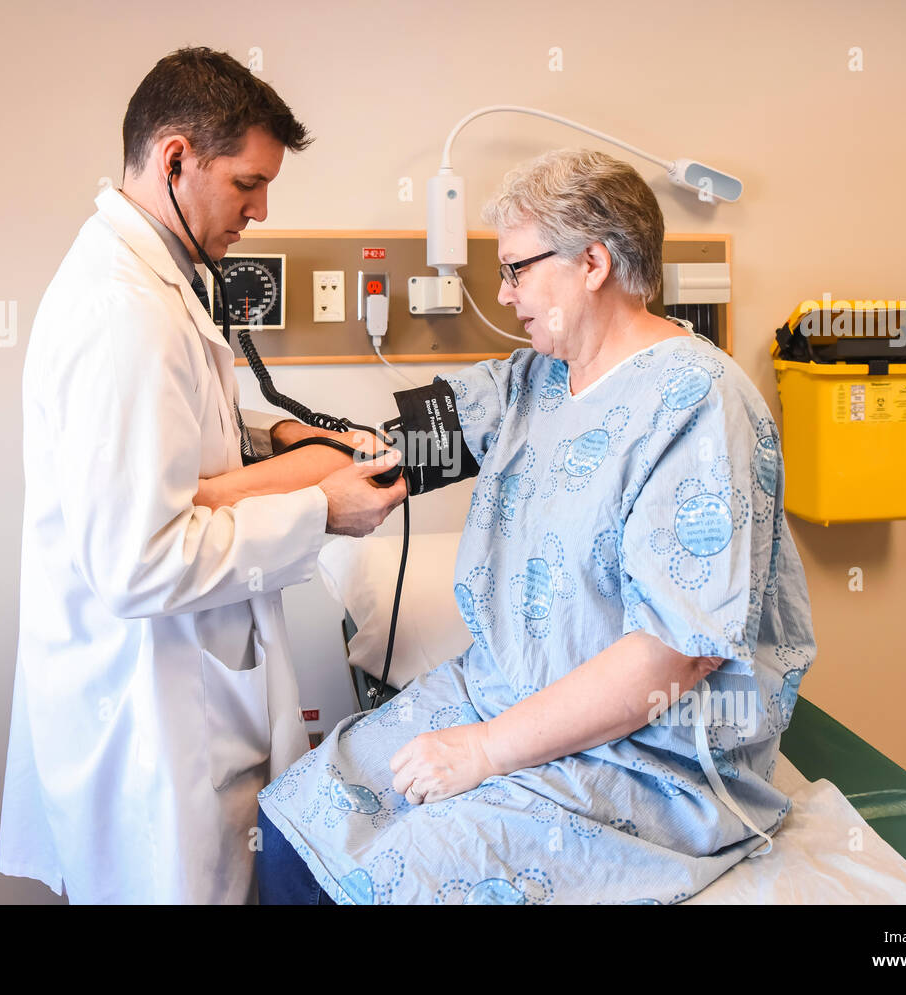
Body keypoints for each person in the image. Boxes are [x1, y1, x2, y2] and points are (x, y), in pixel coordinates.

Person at [255, 148, 818, 905]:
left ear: (592, 261)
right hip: (504, 692)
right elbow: (383, 452)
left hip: (647, 755)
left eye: (517, 268)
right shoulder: (532, 381)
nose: (503, 290)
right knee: (294, 820)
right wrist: (239, 465)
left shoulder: (698, 403)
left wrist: (483, 751)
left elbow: (674, 658)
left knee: (396, 873)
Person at [0, 47, 405, 904]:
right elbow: (139, 559)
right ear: (175, 159)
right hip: (154, 724)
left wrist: (277, 435)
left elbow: (172, 434)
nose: (260, 211)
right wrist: (317, 506)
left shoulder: (154, 281)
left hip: (181, 698)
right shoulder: (123, 313)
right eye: (248, 184)